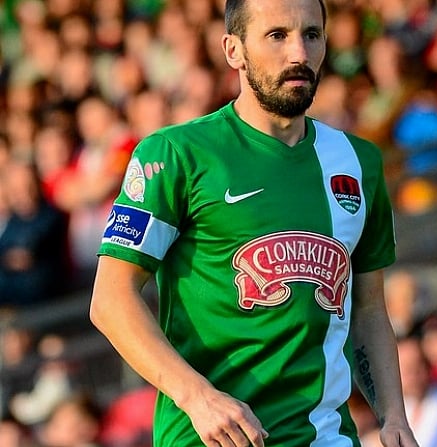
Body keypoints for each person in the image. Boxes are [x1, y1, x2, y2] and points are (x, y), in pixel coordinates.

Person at [89, 1, 418, 446]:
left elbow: (369, 309)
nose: (299, 53)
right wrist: (197, 397)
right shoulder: (174, 155)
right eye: (277, 35)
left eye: (312, 35)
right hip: (207, 437)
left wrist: (393, 416)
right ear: (233, 50)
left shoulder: (360, 163)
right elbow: (111, 300)